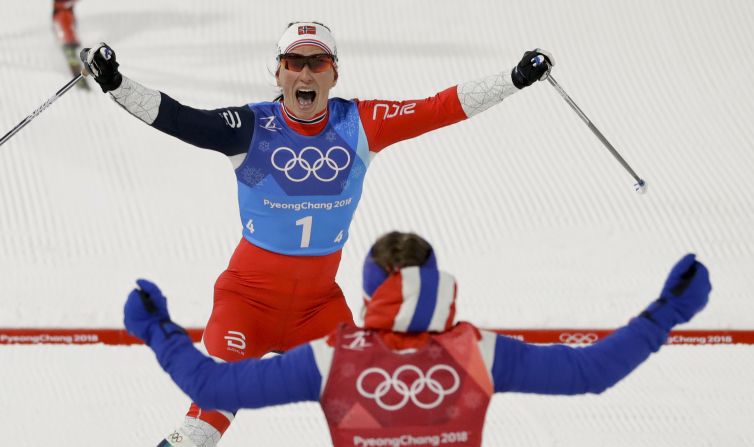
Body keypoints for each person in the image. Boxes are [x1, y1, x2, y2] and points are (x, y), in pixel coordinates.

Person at [80, 22, 555, 445]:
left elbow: (438, 108)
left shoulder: (362, 123)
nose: (304, 75)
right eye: (293, 63)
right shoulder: (250, 126)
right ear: (278, 73)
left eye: (317, 63)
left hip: (318, 311)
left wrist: (513, 80)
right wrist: (116, 84)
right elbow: (180, 118)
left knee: (376, 420)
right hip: (245, 305)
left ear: (334, 73)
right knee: (205, 423)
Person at [124, 231, 711, 447]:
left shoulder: (336, 358)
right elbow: (592, 373)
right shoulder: (476, 352)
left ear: (371, 290)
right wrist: (666, 312)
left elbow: (212, 384)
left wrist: (158, 328)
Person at [52, 0, 88, 88]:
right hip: (66, 38)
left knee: (73, 55)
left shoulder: (66, 11)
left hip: (68, 32)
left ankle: (80, 80)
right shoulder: (61, 10)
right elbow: (61, 5)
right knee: (71, 56)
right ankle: (79, 82)